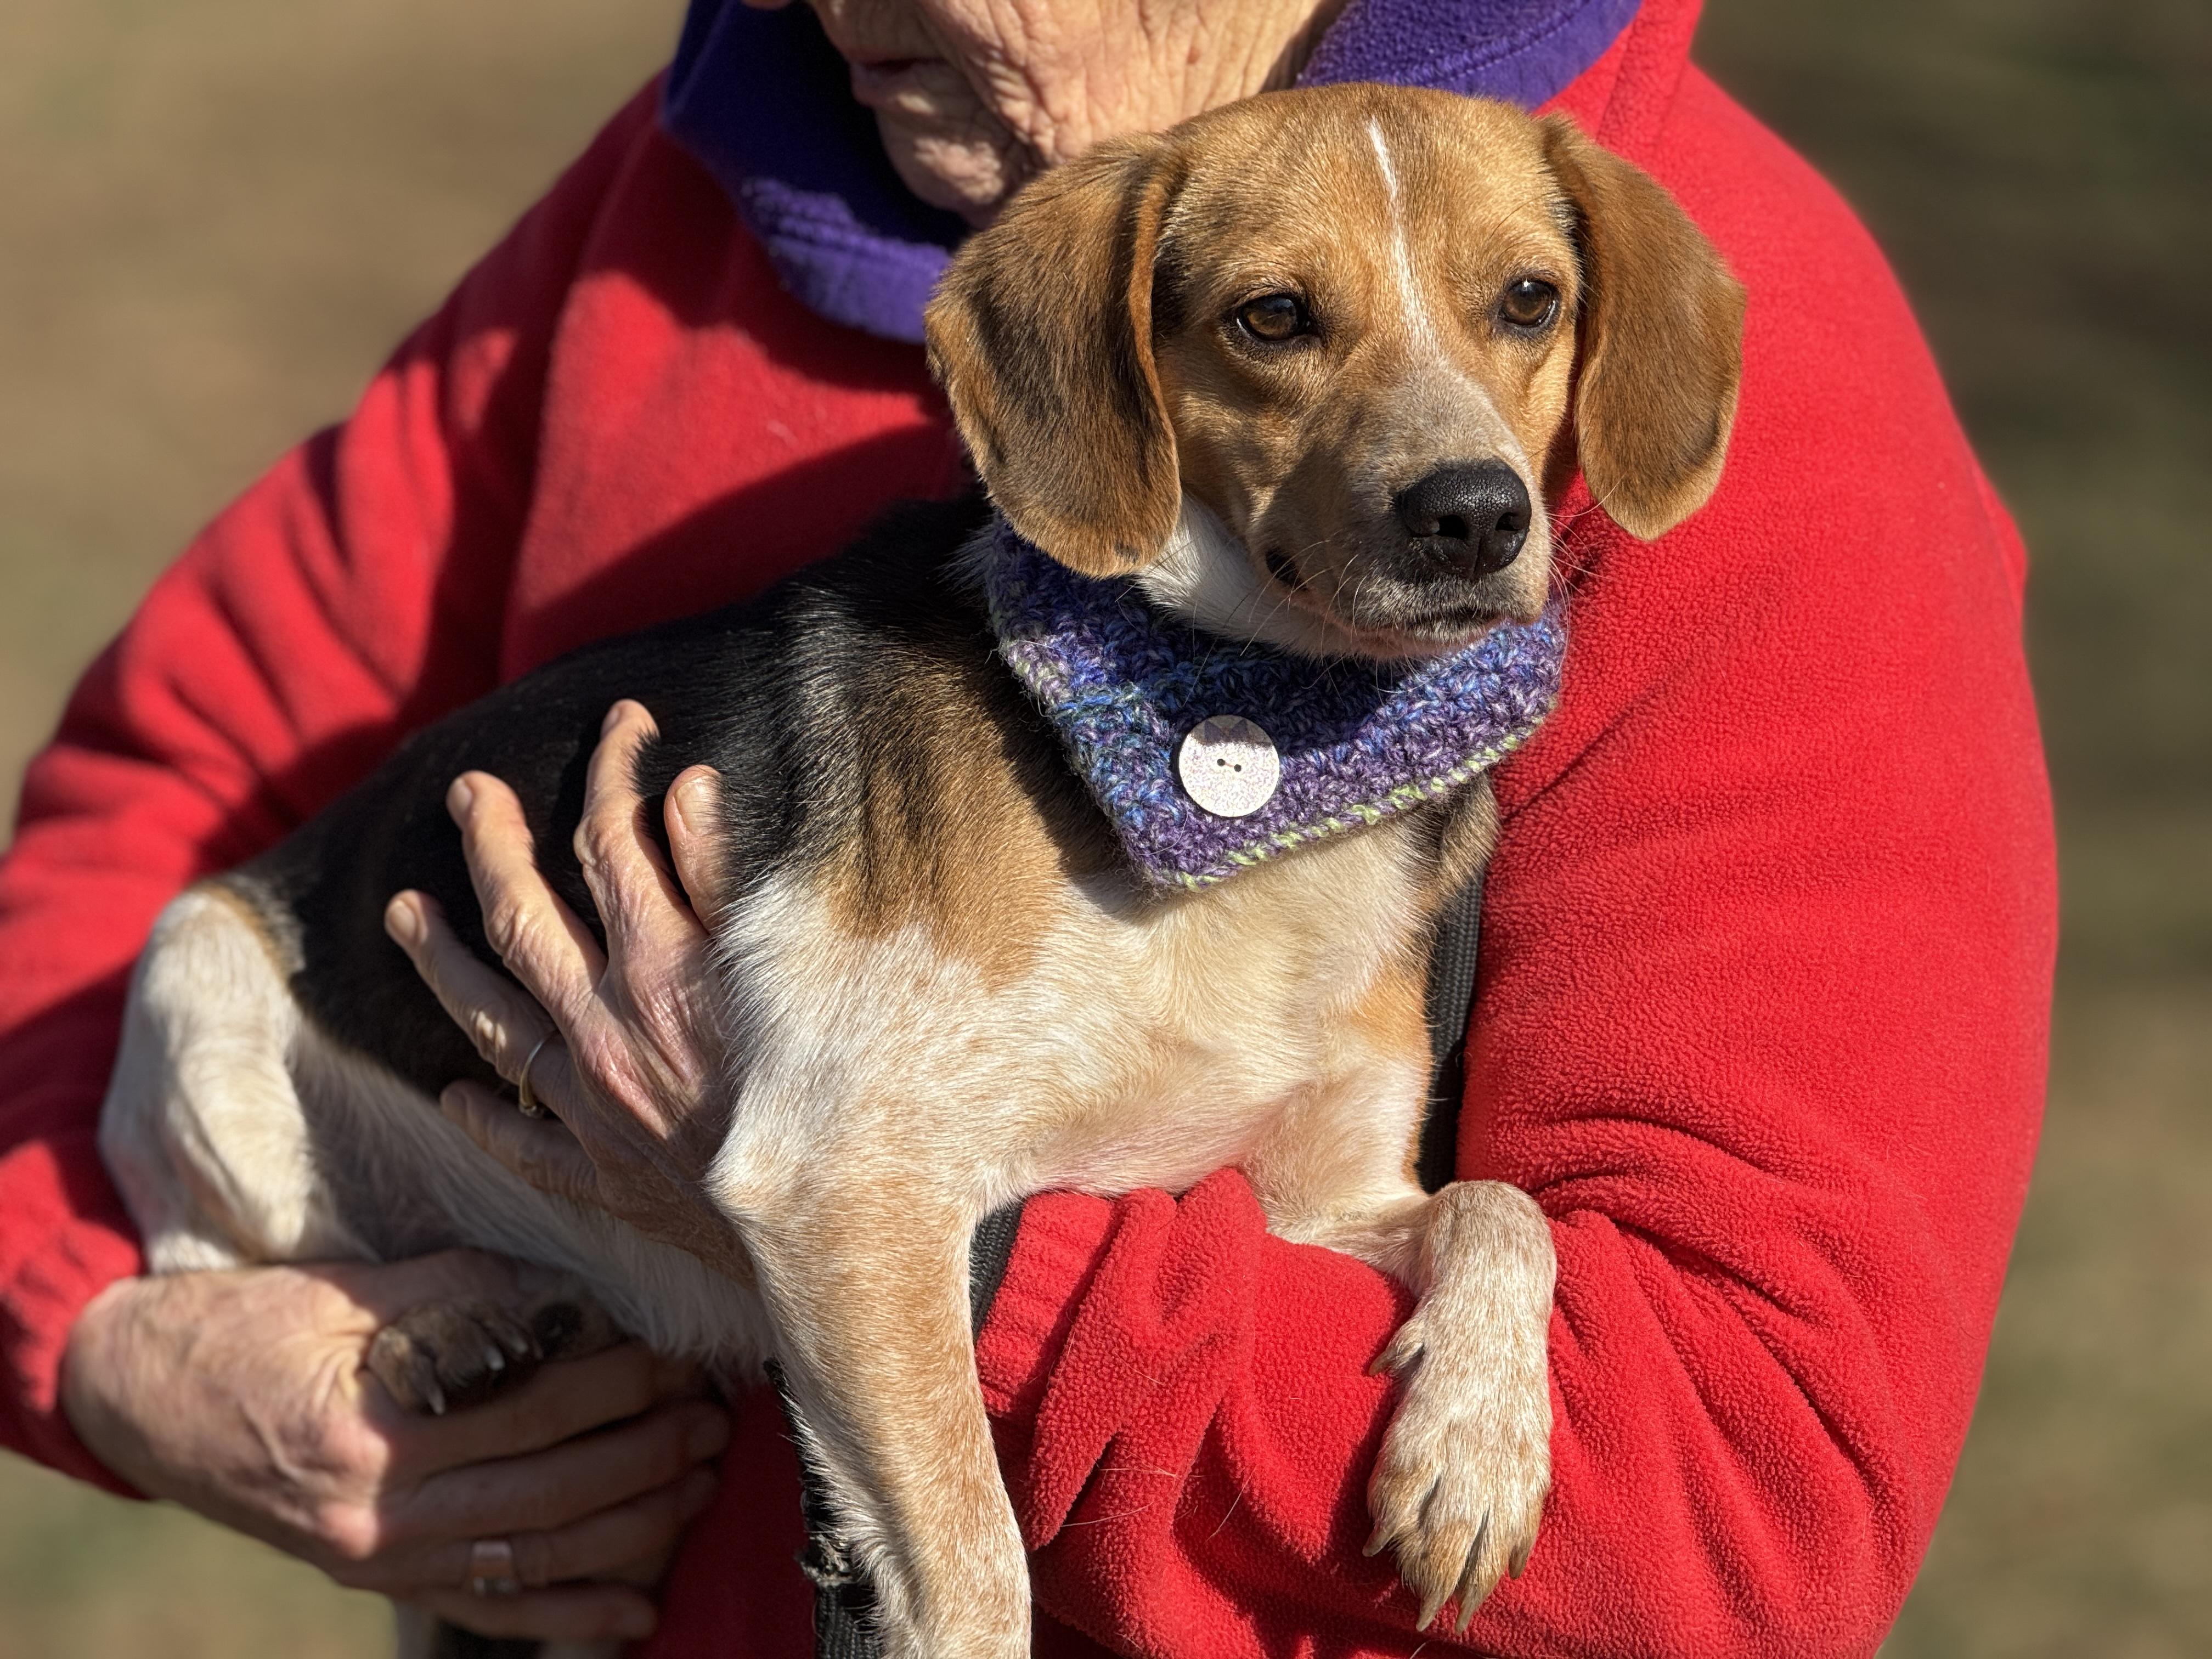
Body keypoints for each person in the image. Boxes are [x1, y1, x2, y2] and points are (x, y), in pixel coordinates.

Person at [0, 0, 2056, 1652]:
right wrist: (123, 1346)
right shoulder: (709, 173)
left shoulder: (1728, 343)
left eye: (1519, 320)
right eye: (1273, 323)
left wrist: (975, 1263)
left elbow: (1742, 1511)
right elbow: (151, 821)